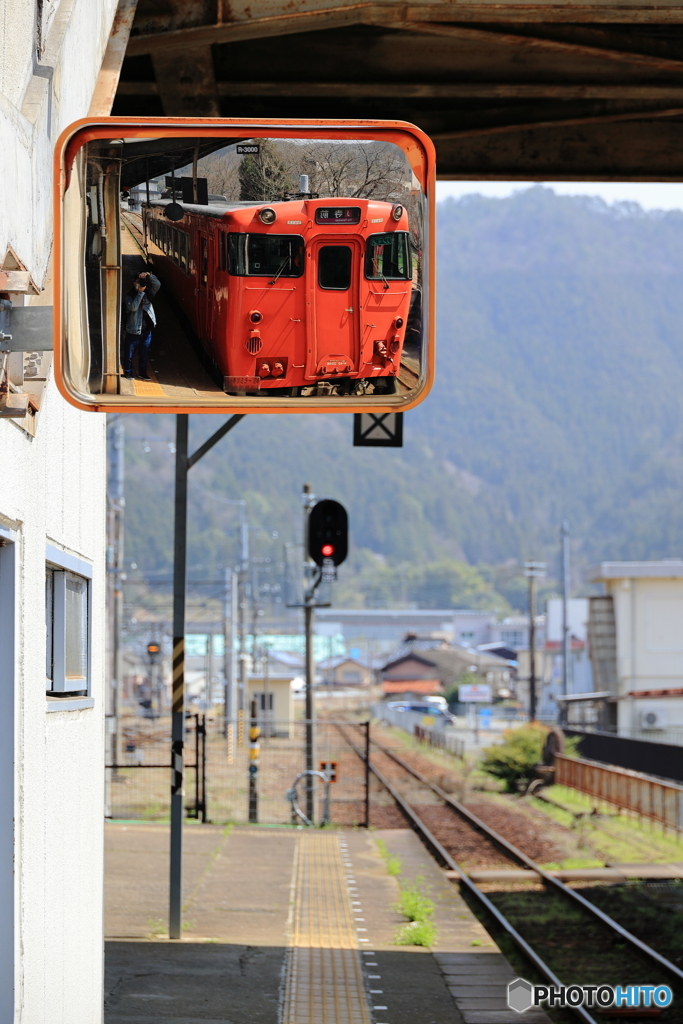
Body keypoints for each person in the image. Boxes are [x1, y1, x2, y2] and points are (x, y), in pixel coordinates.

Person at [122, 269, 160, 380]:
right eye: (138, 282)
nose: (141, 285)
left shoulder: (149, 294)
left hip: (146, 331)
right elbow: (133, 307)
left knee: (144, 355)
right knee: (129, 355)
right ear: (134, 283)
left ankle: (142, 373)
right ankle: (128, 373)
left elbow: (158, 284)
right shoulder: (129, 296)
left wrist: (149, 275)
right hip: (133, 331)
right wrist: (140, 292)